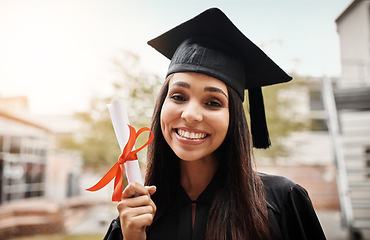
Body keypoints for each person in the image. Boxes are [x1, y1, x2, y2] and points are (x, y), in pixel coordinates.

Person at [104, 8, 326, 240]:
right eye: (179, 96)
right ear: (162, 105)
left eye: (212, 102)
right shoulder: (134, 220)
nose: (191, 115)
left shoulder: (282, 203)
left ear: (234, 118)